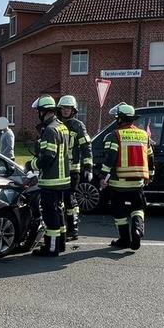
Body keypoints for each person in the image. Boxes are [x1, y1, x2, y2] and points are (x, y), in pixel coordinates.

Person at [100, 103, 155, 252]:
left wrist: (103, 178)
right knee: (138, 208)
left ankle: (124, 240)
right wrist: (150, 175)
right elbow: (150, 156)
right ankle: (137, 230)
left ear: (120, 119)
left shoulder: (114, 135)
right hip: (137, 181)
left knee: (120, 212)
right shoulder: (144, 135)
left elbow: (110, 159)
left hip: (118, 182)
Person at [30, 94, 72, 257]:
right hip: (63, 179)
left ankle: (52, 247)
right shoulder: (62, 126)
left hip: (51, 180)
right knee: (58, 211)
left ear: (43, 111)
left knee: (50, 214)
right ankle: (60, 244)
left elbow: (48, 157)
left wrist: (31, 164)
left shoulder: (49, 130)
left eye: (38, 111)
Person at [56, 95, 93, 241]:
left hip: (73, 170)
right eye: (64, 108)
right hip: (58, 170)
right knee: (59, 200)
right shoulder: (56, 124)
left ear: (73, 110)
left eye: (69, 108)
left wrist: (88, 167)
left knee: (69, 199)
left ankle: (73, 230)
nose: (66, 111)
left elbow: (86, 147)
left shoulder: (78, 126)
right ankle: (60, 229)